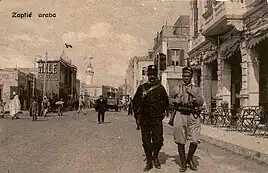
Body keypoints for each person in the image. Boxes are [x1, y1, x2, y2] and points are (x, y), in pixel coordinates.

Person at [132, 65, 169, 171]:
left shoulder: (160, 88)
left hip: (157, 119)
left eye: (154, 75)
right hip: (145, 119)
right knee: (146, 141)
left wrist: (161, 112)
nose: (152, 77)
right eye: (150, 75)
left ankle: (155, 156)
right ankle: (149, 161)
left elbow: (166, 102)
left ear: (156, 75)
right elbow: (135, 103)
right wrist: (137, 117)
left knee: (158, 141)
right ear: (148, 75)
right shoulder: (142, 88)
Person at [170, 66, 204, 172]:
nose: (186, 78)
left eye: (188, 76)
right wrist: (176, 100)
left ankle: (189, 159)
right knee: (180, 140)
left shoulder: (196, 89)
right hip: (180, 114)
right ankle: (183, 164)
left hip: (193, 115)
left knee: (195, 140)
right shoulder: (177, 88)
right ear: (182, 76)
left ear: (191, 77)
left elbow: (201, 102)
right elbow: (169, 100)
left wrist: (193, 95)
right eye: (184, 76)